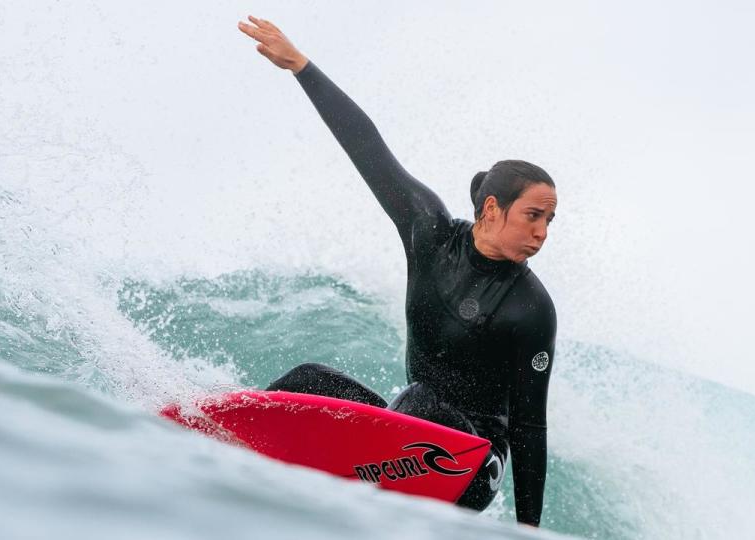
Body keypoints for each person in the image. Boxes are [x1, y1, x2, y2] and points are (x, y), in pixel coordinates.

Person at [237, 15, 557, 527]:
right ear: (492, 208)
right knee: (308, 380)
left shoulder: (530, 307)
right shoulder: (429, 232)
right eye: (533, 216)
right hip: (408, 431)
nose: (542, 232)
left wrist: (528, 531)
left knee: (422, 401)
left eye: (549, 221)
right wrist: (301, 66)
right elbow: (370, 151)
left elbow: (529, 425)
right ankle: (222, 459)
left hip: (473, 461)